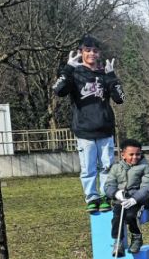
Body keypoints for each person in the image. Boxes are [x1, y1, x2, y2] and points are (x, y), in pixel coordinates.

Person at [53, 34, 124, 213]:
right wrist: (68, 69)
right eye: (87, 50)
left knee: (107, 167)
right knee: (88, 169)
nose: (91, 53)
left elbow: (120, 98)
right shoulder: (75, 74)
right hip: (84, 131)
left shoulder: (104, 74)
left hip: (105, 130)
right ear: (81, 52)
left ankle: (106, 195)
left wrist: (112, 77)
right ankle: (92, 197)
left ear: (99, 53)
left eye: (95, 50)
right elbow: (58, 90)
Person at [104, 139, 149, 256]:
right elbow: (108, 185)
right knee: (117, 216)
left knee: (131, 215)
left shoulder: (146, 167)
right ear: (123, 154)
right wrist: (115, 193)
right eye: (131, 154)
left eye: (138, 154)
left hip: (138, 200)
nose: (135, 157)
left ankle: (136, 236)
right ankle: (118, 241)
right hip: (121, 199)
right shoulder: (116, 167)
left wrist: (134, 199)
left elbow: (147, 187)